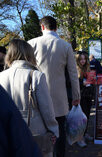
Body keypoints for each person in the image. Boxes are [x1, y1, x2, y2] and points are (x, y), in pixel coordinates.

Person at [28, 16, 80, 157]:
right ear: (56, 27)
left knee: (39, 131)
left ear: (42, 27)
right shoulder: (65, 45)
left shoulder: (31, 43)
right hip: (59, 98)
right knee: (59, 132)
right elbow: (73, 74)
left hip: (36, 96)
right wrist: (76, 96)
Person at [0, 39, 59, 157]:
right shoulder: (36, 75)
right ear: (29, 54)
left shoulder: (1, 76)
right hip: (36, 133)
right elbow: (47, 109)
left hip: (9, 133)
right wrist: (54, 131)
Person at [0, 85, 42, 157]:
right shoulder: (36, 75)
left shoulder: (2, 76)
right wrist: (53, 129)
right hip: (33, 130)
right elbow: (46, 107)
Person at [75, 51, 95, 147]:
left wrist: (93, 80)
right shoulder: (75, 69)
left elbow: (91, 81)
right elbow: (71, 83)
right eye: (81, 59)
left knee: (86, 116)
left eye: (84, 59)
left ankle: (85, 133)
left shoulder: (88, 68)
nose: (83, 61)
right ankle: (80, 138)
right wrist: (81, 84)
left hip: (88, 95)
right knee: (80, 118)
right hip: (80, 96)